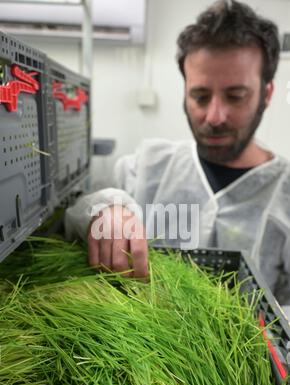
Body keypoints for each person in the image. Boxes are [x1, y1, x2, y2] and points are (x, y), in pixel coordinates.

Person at [65, 0, 290, 306]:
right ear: (185, 92)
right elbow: (75, 213)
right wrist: (104, 212)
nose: (214, 116)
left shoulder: (284, 194)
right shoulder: (147, 166)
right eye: (200, 96)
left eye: (235, 96)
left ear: (266, 94)